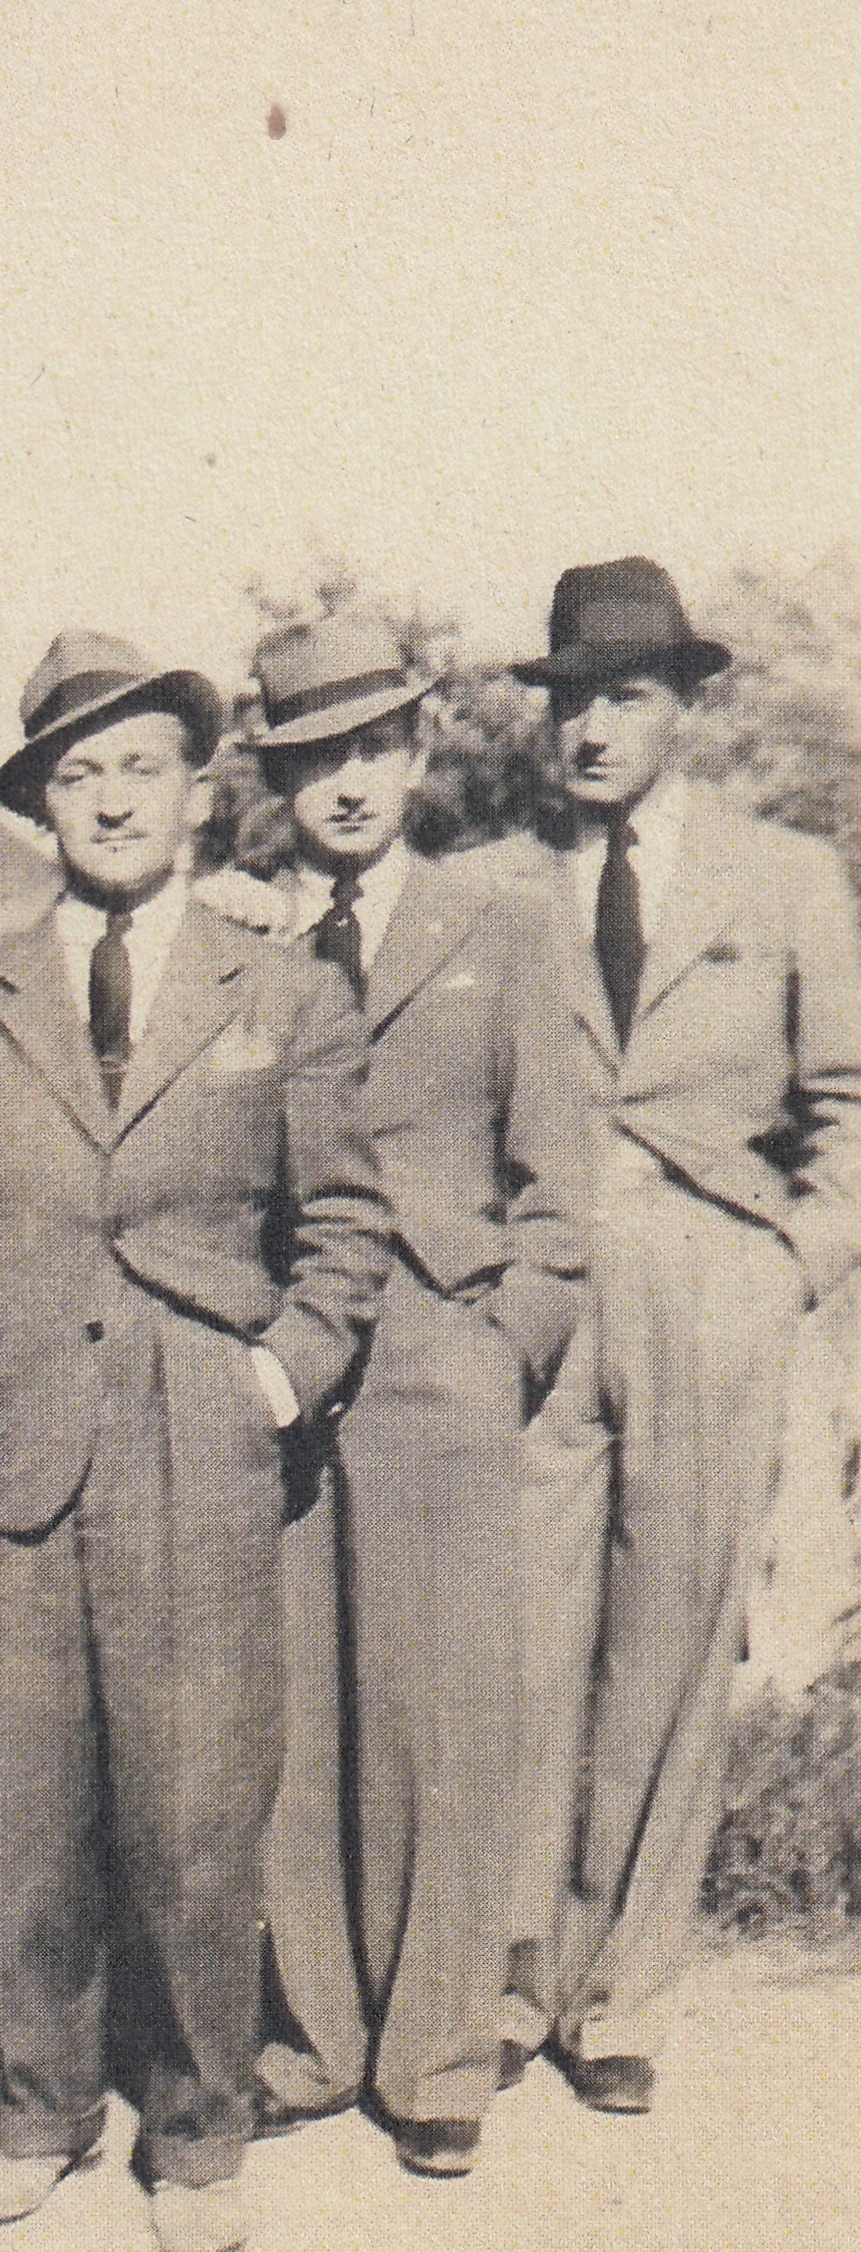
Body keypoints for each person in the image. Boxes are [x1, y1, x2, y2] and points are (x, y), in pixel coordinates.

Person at [0, 629, 389, 2252]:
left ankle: (198, 2136)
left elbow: (349, 1230)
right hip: (15, 1440)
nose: (110, 801)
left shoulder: (284, 989)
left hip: (199, 1443)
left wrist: (279, 1380)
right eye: (77, 775)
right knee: (30, 1806)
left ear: (198, 789)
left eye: (141, 768)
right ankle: (37, 2111)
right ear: (39, 805)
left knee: (195, 1813)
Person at [219, 608, 583, 2179]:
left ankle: (438, 2057)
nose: (350, 781)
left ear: (419, 748)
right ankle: (312, 2040)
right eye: (315, 758)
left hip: (444, 1355)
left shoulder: (499, 927)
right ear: (277, 782)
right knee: (297, 1713)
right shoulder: (241, 949)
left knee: (448, 1712)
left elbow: (558, 1184)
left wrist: (510, 1345)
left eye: (374, 745)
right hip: (292, 1361)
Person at [502, 556, 861, 2112]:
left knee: (669, 1644)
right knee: (526, 1646)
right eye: (571, 699)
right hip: (539, 1303)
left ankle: (621, 1996)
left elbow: (851, 1104)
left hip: (713, 1291)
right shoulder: (493, 886)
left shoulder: (782, 878)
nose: (593, 729)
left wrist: (792, 1265)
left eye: (627, 697)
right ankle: (511, 1976)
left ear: (682, 711)